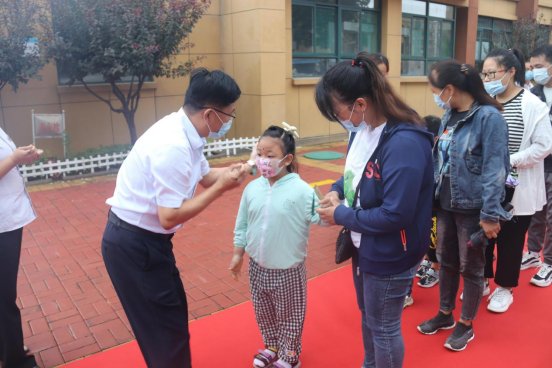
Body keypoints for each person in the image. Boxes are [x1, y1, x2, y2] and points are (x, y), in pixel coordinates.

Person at [101, 68, 248, 368]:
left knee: (171, 320)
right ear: (210, 114)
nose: (229, 123)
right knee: (166, 334)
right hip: (135, 244)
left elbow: (206, 176)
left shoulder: (187, 131)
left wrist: (240, 169)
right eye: (229, 116)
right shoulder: (173, 145)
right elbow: (168, 216)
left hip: (146, 242)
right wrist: (221, 188)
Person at [315, 51, 434, 368]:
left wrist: (339, 214)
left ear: (361, 104)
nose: (339, 119)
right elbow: (352, 173)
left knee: (383, 328)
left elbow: (396, 214)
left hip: (392, 250)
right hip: (364, 244)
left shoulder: (404, 141)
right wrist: (336, 191)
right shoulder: (362, 131)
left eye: (337, 112)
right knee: (370, 318)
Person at [417, 60, 511, 351]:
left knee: (471, 268)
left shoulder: (488, 118)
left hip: (473, 208)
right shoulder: (449, 114)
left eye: (436, 91)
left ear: (449, 89)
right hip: (445, 204)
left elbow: (496, 169)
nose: (435, 96)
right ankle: (445, 314)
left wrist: (490, 215)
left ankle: (465, 324)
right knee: (445, 262)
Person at [229, 124, 323, 368]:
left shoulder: (302, 191)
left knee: (290, 314)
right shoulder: (252, 189)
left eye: (270, 156)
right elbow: (242, 224)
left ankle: (290, 354)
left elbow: (322, 217)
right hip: (258, 266)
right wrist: (238, 253)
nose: (263, 160)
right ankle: (272, 346)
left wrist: (336, 202)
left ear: (287, 159)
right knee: (264, 311)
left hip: (288, 268)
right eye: (260, 154)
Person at [481, 48, 552, 313]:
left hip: (514, 183)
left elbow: (544, 146)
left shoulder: (533, 105)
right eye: (484, 73)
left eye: (492, 73)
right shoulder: (484, 101)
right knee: (483, 236)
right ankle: (483, 280)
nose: (487, 78)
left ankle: (504, 288)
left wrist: (509, 160)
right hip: (485, 183)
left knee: (510, 238)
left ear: (511, 72)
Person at [0, 129, 42, 368]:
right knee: (3, 295)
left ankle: (7, 346)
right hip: (1, 224)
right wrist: (15, 158)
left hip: (8, 220)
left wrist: (19, 156)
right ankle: (15, 361)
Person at [523, 44, 552, 287]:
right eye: (532, 68)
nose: (534, 72)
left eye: (539, 67)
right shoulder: (533, 94)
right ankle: (532, 252)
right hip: (537, 163)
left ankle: (550, 262)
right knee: (536, 211)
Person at [416, 115, 442, 289]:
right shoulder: (421, 149)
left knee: (435, 233)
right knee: (425, 232)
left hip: (436, 200)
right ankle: (428, 258)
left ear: (436, 137)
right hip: (424, 200)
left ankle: (436, 267)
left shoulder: (440, 152)